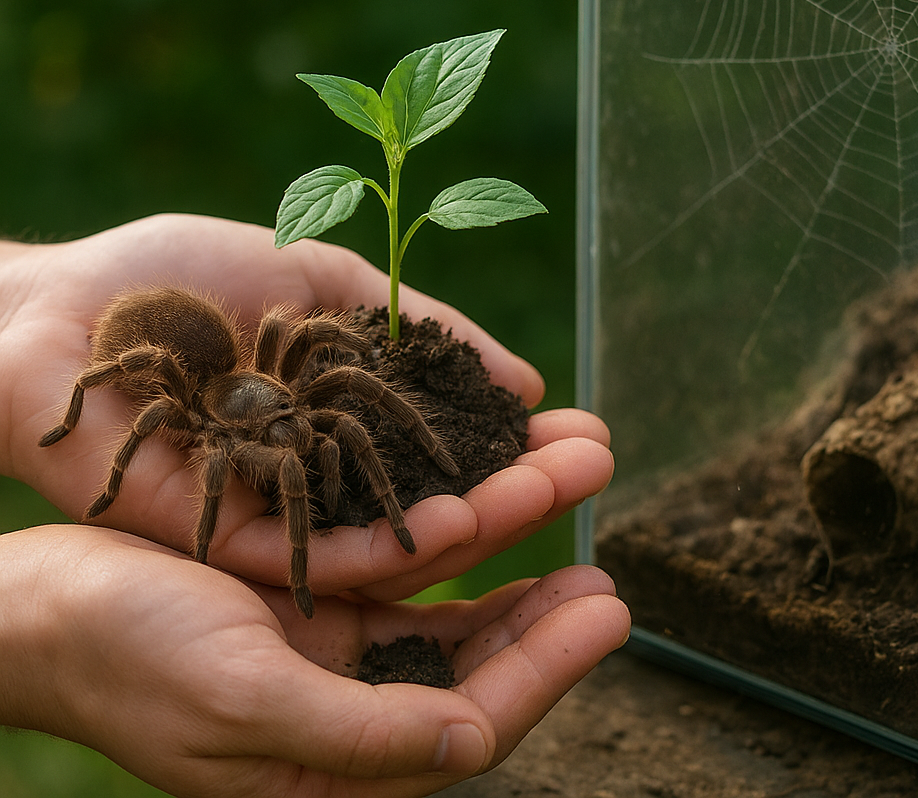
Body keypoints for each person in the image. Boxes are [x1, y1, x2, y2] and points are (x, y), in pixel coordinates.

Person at [0, 213, 631, 798]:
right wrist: (122, 487)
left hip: (233, 380)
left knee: (349, 406)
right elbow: (146, 416)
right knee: (283, 475)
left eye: (293, 417)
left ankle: (431, 445)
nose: (296, 434)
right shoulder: (194, 419)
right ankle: (300, 564)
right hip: (180, 374)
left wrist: (25, 298)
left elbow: (335, 383)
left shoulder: (290, 390)